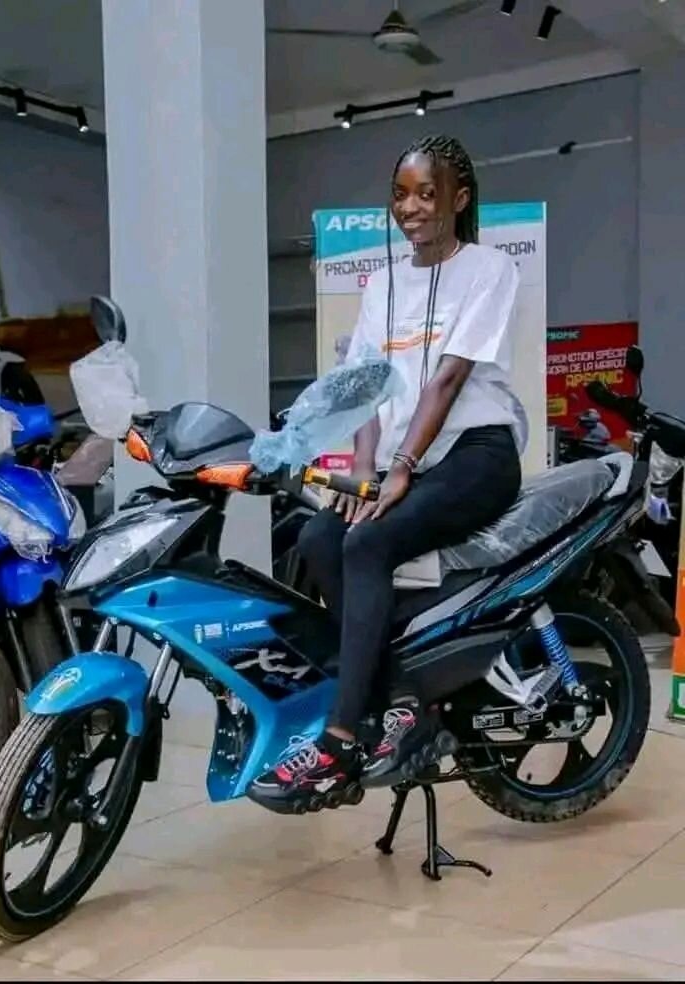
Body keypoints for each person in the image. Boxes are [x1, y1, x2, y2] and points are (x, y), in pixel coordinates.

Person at [251, 134, 524, 808]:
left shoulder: (489, 269)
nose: (411, 207)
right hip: (406, 462)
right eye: (400, 195)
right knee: (320, 538)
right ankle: (401, 700)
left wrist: (400, 468)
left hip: (476, 454)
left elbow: (448, 379)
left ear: (459, 198)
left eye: (428, 193)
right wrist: (364, 469)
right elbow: (366, 387)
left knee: (369, 542)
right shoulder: (383, 281)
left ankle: (342, 739)